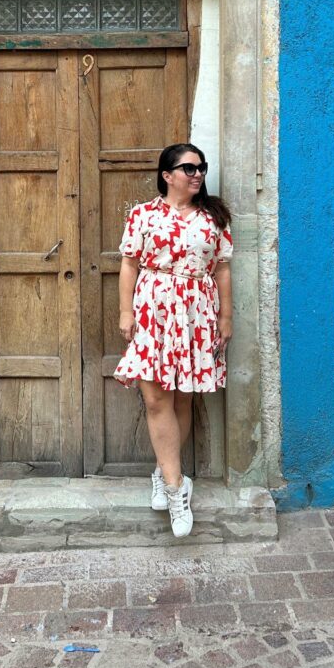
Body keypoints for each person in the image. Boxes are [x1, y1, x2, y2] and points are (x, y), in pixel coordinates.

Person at [114, 142, 233, 538]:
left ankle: (166, 472)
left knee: (183, 395)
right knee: (155, 397)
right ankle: (176, 489)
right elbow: (129, 264)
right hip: (153, 310)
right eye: (188, 168)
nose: (197, 174)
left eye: (201, 167)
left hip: (196, 312)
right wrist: (126, 312)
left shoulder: (213, 217)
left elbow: (222, 269)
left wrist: (226, 317)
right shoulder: (143, 215)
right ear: (167, 175)